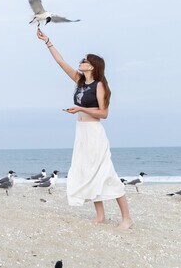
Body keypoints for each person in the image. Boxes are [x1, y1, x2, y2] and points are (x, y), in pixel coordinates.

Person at [36, 27, 133, 230]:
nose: (81, 62)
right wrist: (48, 41)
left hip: (95, 133)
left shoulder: (99, 85)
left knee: (106, 173)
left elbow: (104, 114)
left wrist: (80, 108)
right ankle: (100, 216)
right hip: (81, 133)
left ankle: (127, 218)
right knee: (88, 172)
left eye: (85, 61)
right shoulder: (80, 81)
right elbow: (61, 62)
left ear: (93, 66)